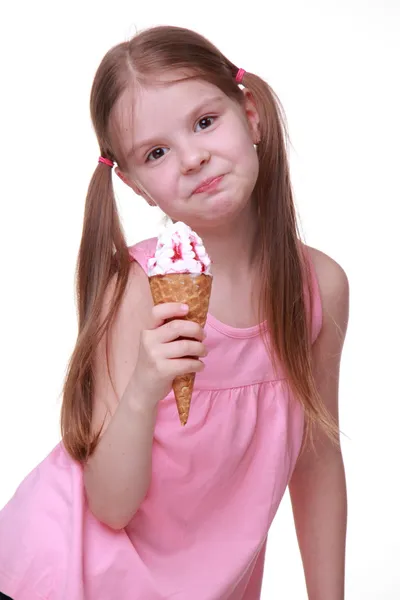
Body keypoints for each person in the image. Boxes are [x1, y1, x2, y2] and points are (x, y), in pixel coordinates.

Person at [0, 25, 349, 600]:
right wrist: (143, 386)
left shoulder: (321, 289)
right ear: (136, 185)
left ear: (251, 115)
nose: (192, 157)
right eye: (156, 153)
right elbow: (110, 506)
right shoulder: (136, 291)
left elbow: (316, 464)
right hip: (74, 576)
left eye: (205, 121)